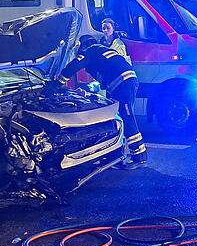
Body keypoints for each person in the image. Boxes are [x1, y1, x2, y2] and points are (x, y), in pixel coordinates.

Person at [57, 36, 146, 169]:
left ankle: (139, 156)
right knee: (116, 118)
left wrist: (58, 83)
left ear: (83, 46)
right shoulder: (102, 52)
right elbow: (104, 77)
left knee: (126, 118)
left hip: (123, 84)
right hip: (123, 83)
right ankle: (114, 154)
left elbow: (75, 65)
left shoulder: (91, 50)